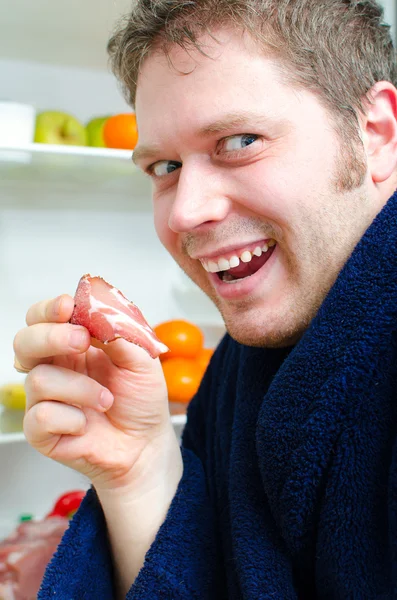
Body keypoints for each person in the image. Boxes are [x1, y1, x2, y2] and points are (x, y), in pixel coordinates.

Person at [12, 0, 397, 598]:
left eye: (240, 140)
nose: (186, 211)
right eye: (164, 165)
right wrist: (138, 470)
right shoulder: (240, 366)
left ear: (375, 134)